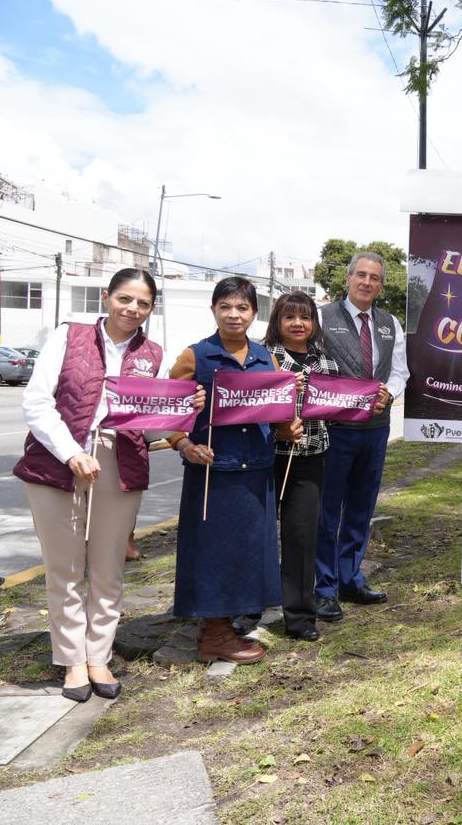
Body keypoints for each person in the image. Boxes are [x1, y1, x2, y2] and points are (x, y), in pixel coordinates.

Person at [14, 268, 202, 701]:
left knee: (107, 568)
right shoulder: (69, 336)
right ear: (106, 297)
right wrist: (71, 452)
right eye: (124, 299)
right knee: (65, 568)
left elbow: (150, 425)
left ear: (151, 309)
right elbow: (37, 402)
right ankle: (72, 660)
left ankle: (98, 655)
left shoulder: (153, 353)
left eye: (142, 303)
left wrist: (181, 414)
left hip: (121, 462)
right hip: (58, 460)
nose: (132, 309)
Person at [167, 277, 300, 664]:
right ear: (213, 310)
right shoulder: (195, 356)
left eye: (242, 308)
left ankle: (227, 624)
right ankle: (213, 634)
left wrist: (286, 428)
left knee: (247, 552)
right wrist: (185, 444)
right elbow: (170, 412)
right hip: (213, 472)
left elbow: (277, 413)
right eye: (225, 306)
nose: (233, 314)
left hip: (257, 469)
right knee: (212, 554)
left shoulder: (266, 358)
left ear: (254, 314)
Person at [316, 252, 409, 622]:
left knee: (361, 508)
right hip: (334, 430)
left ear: (381, 285)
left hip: (375, 429)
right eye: (361, 275)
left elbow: (401, 370)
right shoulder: (322, 317)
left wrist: (390, 391)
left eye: (375, 278)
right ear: (348, 278)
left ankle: (350, 578)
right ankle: (323, 587)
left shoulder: (389, 323)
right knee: (326, 511)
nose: (367, 282)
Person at [262, 292, 340, 642]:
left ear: (314, 323)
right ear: (277, 322)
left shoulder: (327, 364)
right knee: (260, 535)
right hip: (266, 457)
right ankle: (248, 608)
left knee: (301, 537)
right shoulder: (263, 360)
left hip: (310, 458)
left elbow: (338, 408)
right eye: (289, 317)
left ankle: (299, 617)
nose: (297, 324)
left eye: (305, 317)